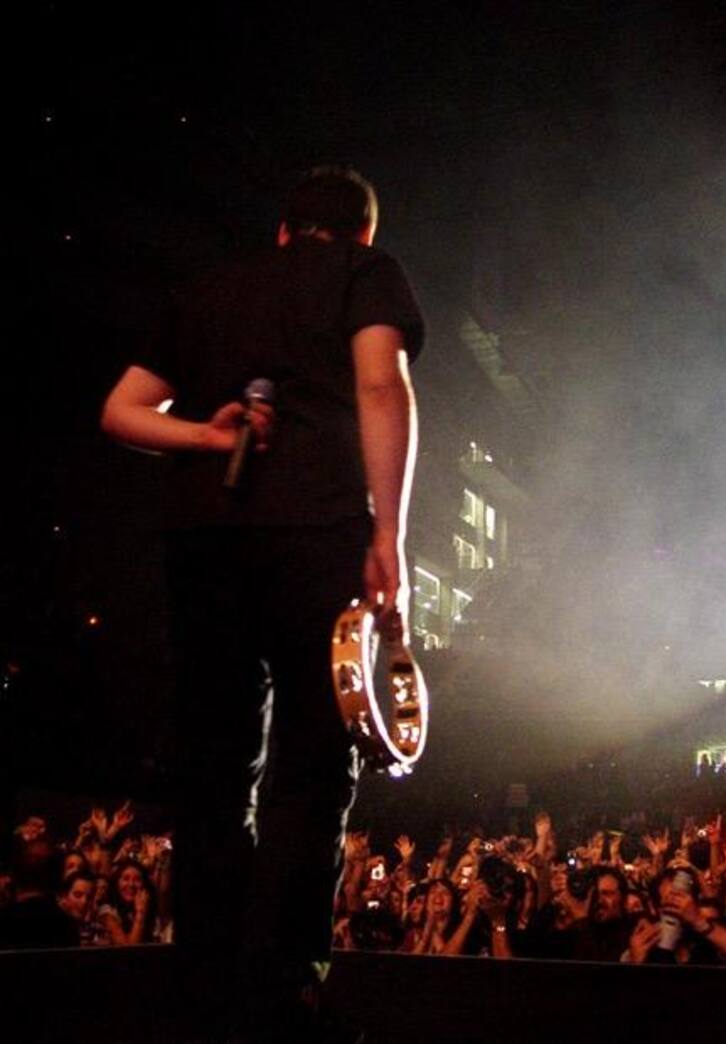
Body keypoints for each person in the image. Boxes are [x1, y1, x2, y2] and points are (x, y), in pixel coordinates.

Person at [100, 166, 423, 1040]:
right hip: (314, 532)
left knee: (214, 763)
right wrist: (388, 533)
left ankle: (203, 986)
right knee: (312, 765)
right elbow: (380, 386)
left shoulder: (208, 289)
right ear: (361, 233)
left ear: (284, 229)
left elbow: (122, 412)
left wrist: (206, 437)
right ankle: (282, 993)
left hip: (202, 542)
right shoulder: (365, 272)